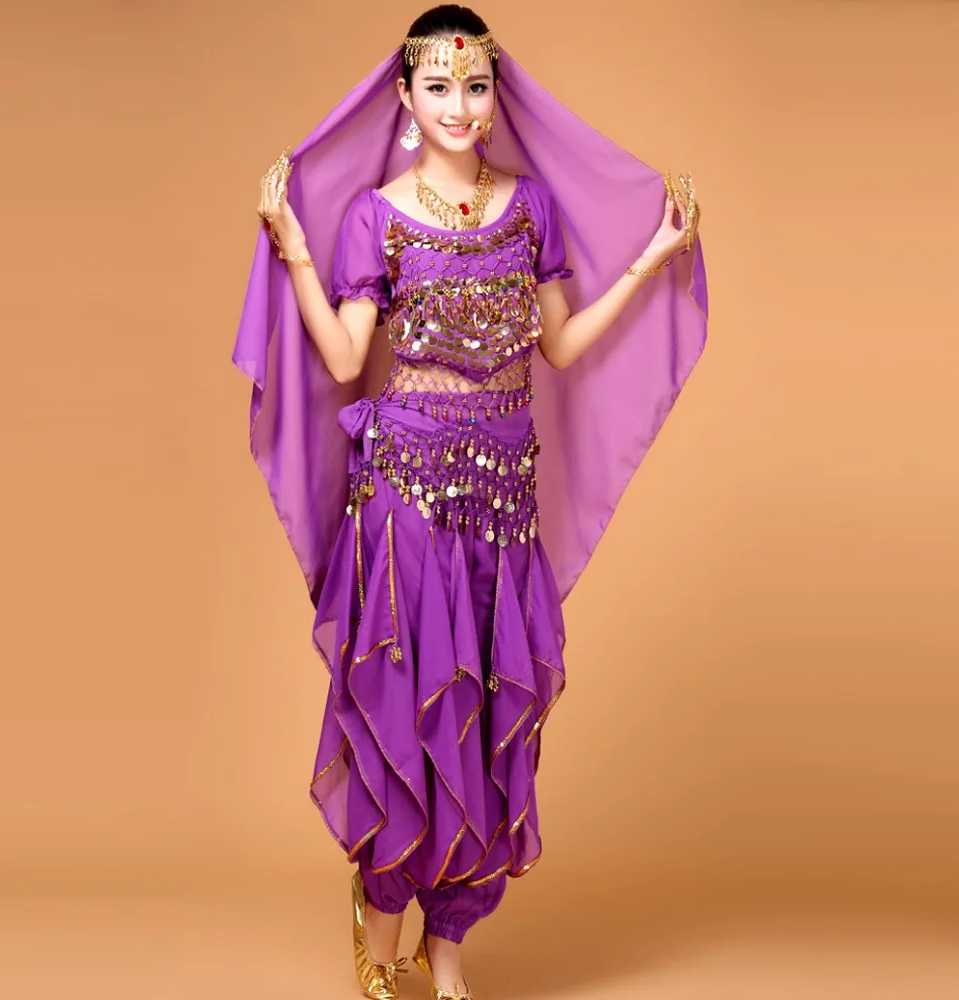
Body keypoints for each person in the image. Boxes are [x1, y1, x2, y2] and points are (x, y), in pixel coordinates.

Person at [236, 6, 708, 999]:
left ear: (496, 97)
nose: (459, 104)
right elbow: (344, 358)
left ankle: (447, 951)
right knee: (416, 710)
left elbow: (560, 347)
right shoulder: (374, 216)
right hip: (404, 498)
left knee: (491, 717)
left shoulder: (531, 209)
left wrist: (652, 258)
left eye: (475, 85)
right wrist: (293, 247)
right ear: (406, 98)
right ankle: (383, 917)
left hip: (502, 500)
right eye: (439, 86)